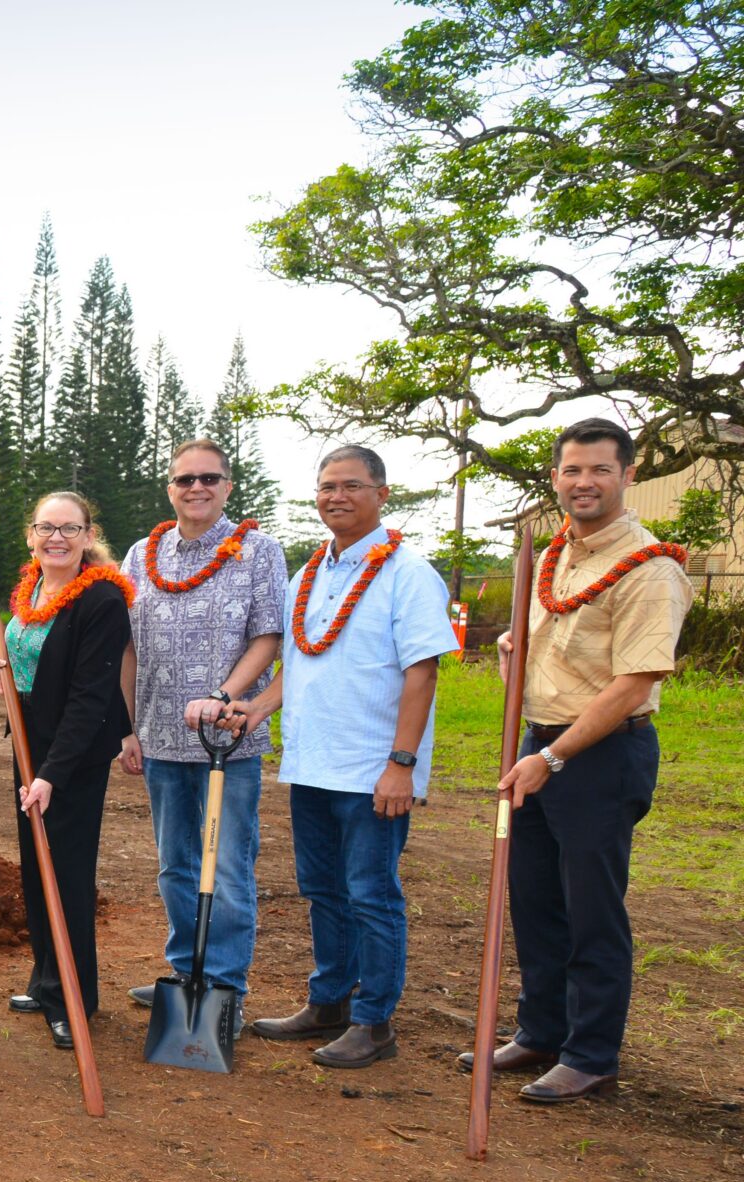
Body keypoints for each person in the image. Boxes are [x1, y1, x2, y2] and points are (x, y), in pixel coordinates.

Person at [467, 417, 693, 1103]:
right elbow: (550, 643)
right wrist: (514, 650)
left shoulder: (651, 569)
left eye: (599, 469)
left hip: (597, 756)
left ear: (628, 476)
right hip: (539, 743)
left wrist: (554, 758)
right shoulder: (553, 555)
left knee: (591, 907)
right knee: (534, 897)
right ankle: (542, 1030)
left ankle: (592, 1054)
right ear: (557, 478)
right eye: (571, 470)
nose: (583, 482)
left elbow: (632, 684)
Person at [227, 445, 458, 1068]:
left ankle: (374, 1020)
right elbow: (299, 665)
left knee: (371, 894)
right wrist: (255, 708)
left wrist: (401, 764)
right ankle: (328, 1000)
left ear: (382, 494)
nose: (337, 496)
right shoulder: (309, 577)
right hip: (312, 766)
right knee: (322, 890)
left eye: (351, 486)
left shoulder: (408, 573)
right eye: (327, 486)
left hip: (373, 770)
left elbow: (423, 673)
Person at [117, 440, 288, 1027]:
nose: (197, 488)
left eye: (209, 479)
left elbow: (269, 635)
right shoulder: (143, 554)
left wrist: (224, 697)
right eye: (185, 479)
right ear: (169, 487)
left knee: (229, 865)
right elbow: (129, 646)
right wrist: (127, 728)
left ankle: (223, 989)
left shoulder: (259, 551)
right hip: (160, 734)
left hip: (228, 737)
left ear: (228, 486)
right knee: (176, 864)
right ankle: (185, 971)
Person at [0, 492, 134, 1050]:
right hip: (30, 744)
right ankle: (46, 977)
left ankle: (74, 999)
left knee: (67, 875)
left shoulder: (101, 600)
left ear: (87, 535)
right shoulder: (31, 587)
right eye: (45, 527)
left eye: (68, 528)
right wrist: (5, 673)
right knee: (34, 865)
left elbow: (90, 696)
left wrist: (53, 773)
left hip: (70, 757)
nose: (56, 537)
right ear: (30, 535)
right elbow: (34, 667)